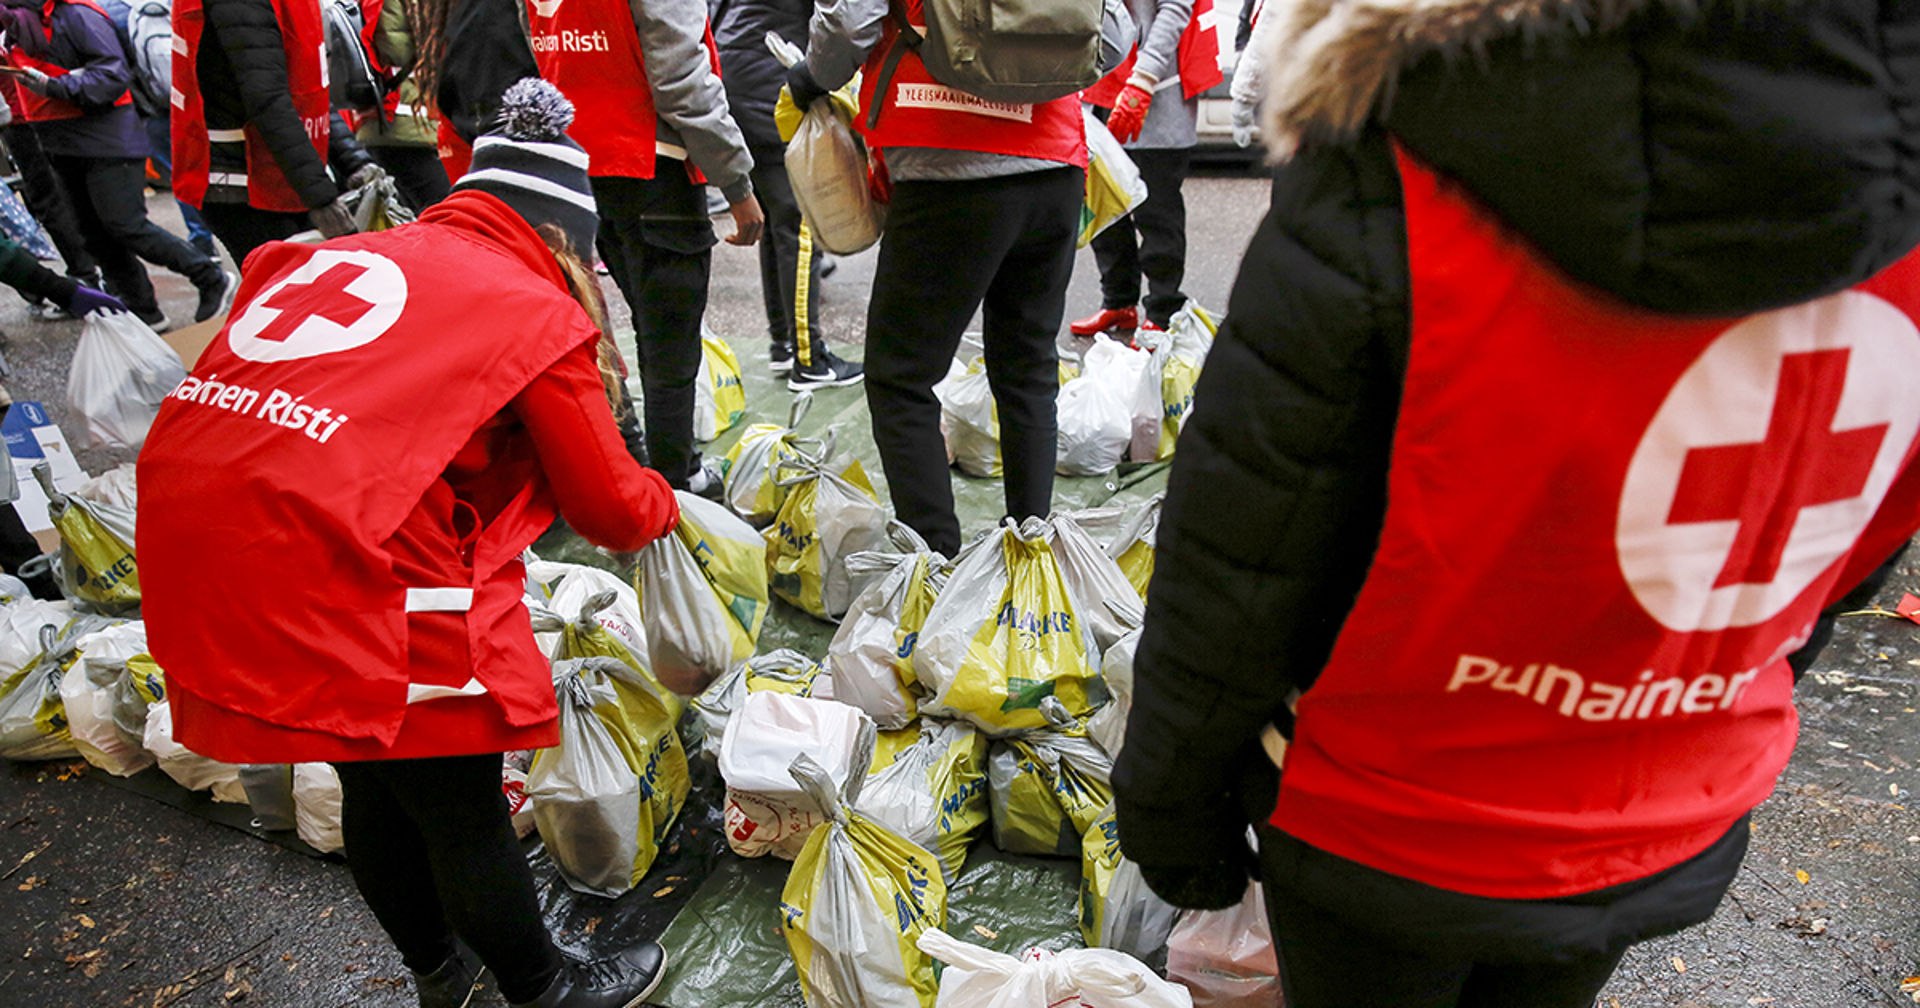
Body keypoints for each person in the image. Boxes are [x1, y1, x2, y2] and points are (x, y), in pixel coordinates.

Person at [1112, 0, 1920, 1005]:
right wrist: (1703, 687)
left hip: (1377, 819)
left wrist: (1172, 819)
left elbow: (1242, 560)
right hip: (1661, 801)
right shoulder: (1896, 205)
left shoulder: (1391, 167)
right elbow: (1857, 547)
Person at [137, 80, 681, 1008]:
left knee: (373, 776)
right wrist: (673, 507)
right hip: (342, 553)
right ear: (559, 237)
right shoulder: (527, 305)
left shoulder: (332, 256)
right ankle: (542, 988)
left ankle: (437, 970)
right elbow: (614, 510)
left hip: (198, 527)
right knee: (454, 791)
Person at [788, 0, 1135, 556]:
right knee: (1028, 369)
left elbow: (847, 27)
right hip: (1055, 165)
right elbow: (1113, 36)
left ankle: (938, 569)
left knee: (901, 377)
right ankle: (1029, 553)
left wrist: (811, 73)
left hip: (945, 161)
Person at [525, 0, 765, 496]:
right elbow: (681, 77)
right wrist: (737, 184)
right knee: (669, 350)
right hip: (651, 164)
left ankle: (667, 474)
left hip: (583, 161)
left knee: (648, 330)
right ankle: (675, 495)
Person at [0, 0, 233, 329]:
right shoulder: (14, 29)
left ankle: (208, 276)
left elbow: (112, 73)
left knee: (126, 225)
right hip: (60, 145)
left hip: (107, 140)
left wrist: (56, 85)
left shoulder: (76, 14)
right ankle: (144, 312)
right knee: (95, 237)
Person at [712, 0, 862, 389]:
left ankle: (784, 344)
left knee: (779, 218)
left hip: (736, 73)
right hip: (771, 81)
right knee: (798, 225)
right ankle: (810, 360)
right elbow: (844, 20)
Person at [171, 0, 382, 263]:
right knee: (296, 295)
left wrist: (353, 160)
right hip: (243, 183)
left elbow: (306, 89)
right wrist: (321, 199)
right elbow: (268, 100)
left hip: (274, 174)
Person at [1071, 0, 1219, 340]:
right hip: (1101, 87)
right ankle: (1119, 302)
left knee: (1157, 212)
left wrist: (1144, 78)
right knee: (1104, 203)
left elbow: (1175, 9)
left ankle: (1164, 310)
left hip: (1153, 89)